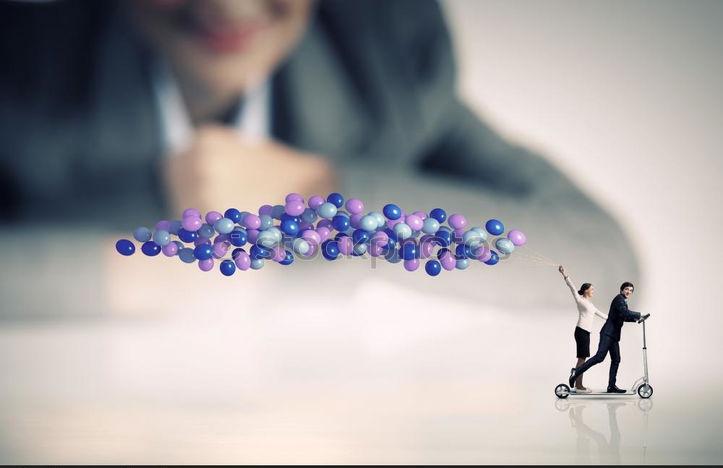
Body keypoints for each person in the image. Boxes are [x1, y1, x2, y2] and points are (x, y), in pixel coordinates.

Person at [0, 0, 639, 304]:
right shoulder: (22, 57)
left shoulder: (384, 68)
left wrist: (317, 194)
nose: (230, 5)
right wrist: (135, 271)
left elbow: (598, 262)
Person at [569, 282, 645, 393]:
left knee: (616, 359)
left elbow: (622, 316)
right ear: (621, 290)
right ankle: (576, 372)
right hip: (607, 334)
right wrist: (639, 314)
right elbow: (624, 313)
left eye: (631, 290)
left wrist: (636, 319)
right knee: (599, 357)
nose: (629, 292)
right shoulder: (619, 299)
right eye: (627, 289)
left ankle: (611, 386)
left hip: (613, 335)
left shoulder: (623, 301)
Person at [558, 265, 608, 392]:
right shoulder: (580, 300)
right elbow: (572, 287)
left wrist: (618, 317)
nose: (593, 291)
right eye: (591, 289)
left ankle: (577, 382)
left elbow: (603, 315)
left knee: (583, 358)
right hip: (580, 331)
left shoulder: (590, 305)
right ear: (586, 290)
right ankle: (578, 384)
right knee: (582, 357)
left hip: (586, 333)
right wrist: (564, 274)